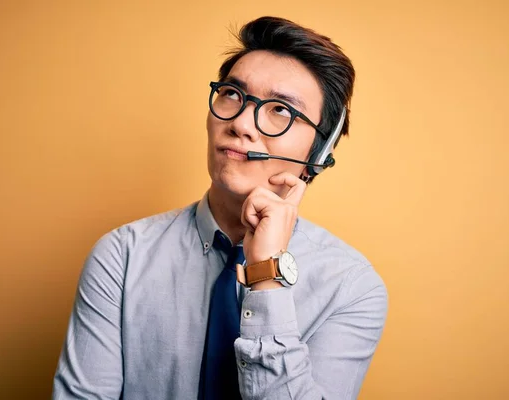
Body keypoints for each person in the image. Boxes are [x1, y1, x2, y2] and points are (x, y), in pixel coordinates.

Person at [53, 16, 388, 400]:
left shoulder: (352, 288)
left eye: (281, 110)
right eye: (232, 94)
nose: (242, 122)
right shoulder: (123, 255)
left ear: (319, 152)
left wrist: (266, 274)